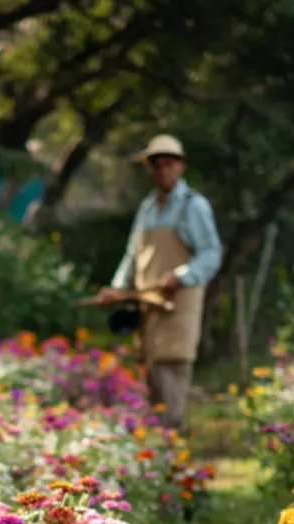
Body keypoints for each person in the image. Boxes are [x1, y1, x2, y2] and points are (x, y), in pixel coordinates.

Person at [94, 134, 222, 431]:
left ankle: (172, 450)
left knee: (171, 370)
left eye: (168, 164)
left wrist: (182, 276)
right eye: (156, 166)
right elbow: (132, 255)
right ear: (150, 170)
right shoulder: (147, 208)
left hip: (177, 306)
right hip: (147, 306)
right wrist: (116, 287)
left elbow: (211, 254)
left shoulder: (194, 207)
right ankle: (156, 454)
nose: (163, 171)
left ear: (181, 167)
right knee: (151, 373)